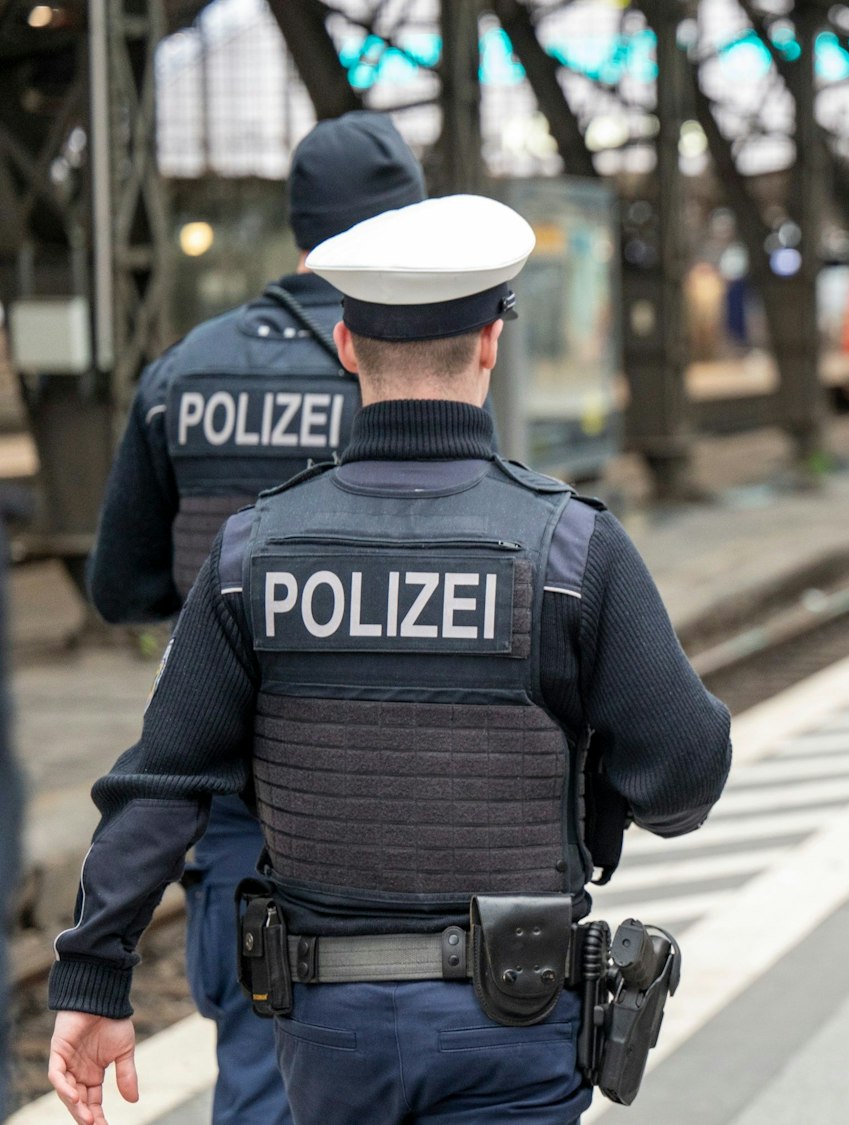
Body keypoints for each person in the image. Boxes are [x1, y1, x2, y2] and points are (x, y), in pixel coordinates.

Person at [46, 194, 733, 1125]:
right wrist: (591, 787)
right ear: (491, 343)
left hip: (329, 1035)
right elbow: (685, 772)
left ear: (346, 348)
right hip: (515, 1020)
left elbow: (162, 780)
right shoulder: (572, 550)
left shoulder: (254, 553)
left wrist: (94, 975)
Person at [81, 110, 425, 1125]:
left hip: (231, 792)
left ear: (299, 223)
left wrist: (213, 620)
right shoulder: (410, 369)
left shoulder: (183, 372)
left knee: (259, 1066)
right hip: (384, 791)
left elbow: (119, 586)